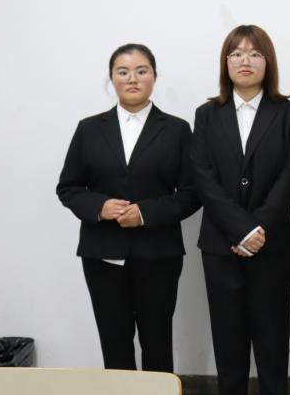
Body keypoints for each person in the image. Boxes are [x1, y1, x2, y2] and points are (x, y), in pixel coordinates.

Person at [191, 25, 290, 395]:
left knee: (272, 335)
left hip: (271, 243)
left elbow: (287, 180)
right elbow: (204, 178)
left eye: (255, 53)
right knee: (228, 335)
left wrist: (257, 229)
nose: (244, 60)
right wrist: (239, 230)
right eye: (236, 53)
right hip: (220, 245)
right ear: (225, 63)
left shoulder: (289, 115)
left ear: (267, 62)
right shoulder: (207, 115)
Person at [57, 43, 200, 373]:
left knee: (157, 341)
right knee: (114, 342)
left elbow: (192, 193)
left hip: (158, 254)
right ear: (112, 79)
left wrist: (146, 213)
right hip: (103, 254)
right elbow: (68, 187)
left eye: (141, 71)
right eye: (123, 72)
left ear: (154, 77)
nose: (132, 79)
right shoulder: (89, 128)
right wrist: (101, 206)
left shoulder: (177, 129)